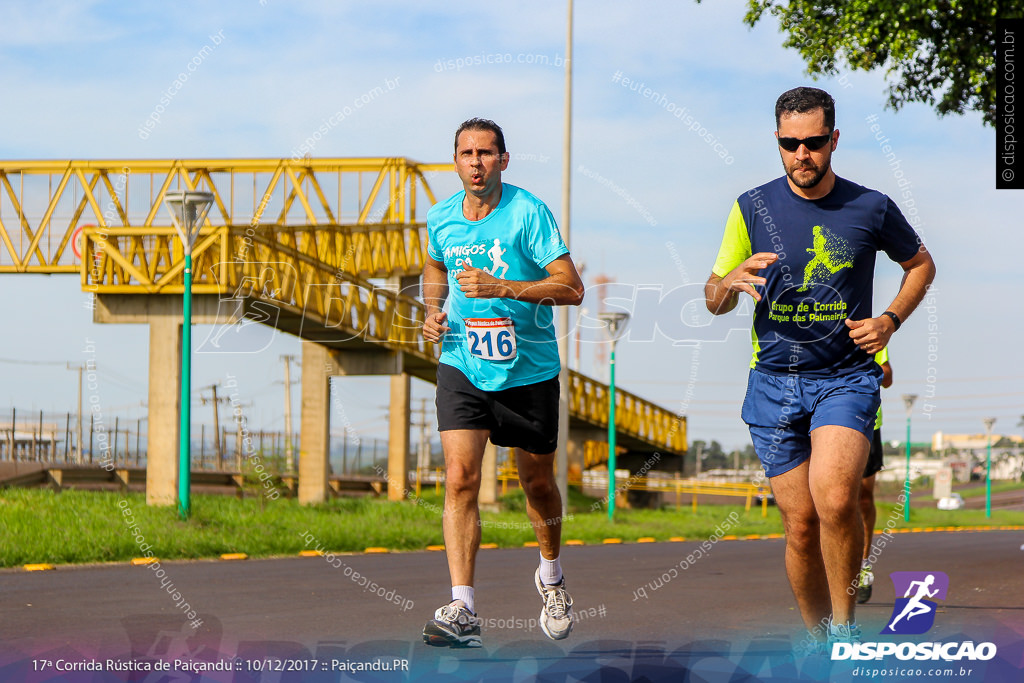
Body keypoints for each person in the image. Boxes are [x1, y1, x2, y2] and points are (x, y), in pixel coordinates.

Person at [704, 87, 936, 651]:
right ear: (778, 143)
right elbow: (713, 295)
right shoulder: (750, 207)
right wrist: (728, 283)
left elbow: (921, 264)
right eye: (790, 144)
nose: (801, 154)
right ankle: (817, 643)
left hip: (845, 376)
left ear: (833, 140)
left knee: (836, 501)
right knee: (801, 525)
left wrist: (890, 321)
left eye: (812, 142)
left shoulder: (871, 206)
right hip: (773, 382)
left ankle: (845, 630)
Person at [420, 118, 585, 648]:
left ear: (503, 160)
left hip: (528, 369)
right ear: (455, 161)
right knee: (460, 479)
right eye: (466, 153)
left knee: (536, 485)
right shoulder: (440, 217)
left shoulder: (528, 212)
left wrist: (503, 287)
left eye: (486, 153)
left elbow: (572, 287)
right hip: (463, 361)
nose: (476, 162)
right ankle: (463, 604)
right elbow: (434, 266)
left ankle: (552, 576)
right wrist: (431, 310)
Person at [857, 347, 892, 604]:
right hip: (821, 419)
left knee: (864, 499)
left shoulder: (867, 328)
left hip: (867, 421)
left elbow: (888, 376)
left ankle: (863, 564)